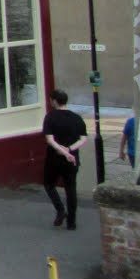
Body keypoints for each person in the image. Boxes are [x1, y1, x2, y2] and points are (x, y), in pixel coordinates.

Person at [42, 89, 87, 230]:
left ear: (54, 101)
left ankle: (60, 209)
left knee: (49, 184)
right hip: (72, 160)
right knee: (71, 189)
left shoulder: (50, 117)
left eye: (51, 100)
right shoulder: (76, 118)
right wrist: (70, 149)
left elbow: (50, 140)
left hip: (54, 158)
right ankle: (72, 222)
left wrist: (62, 150)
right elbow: (83, 139)